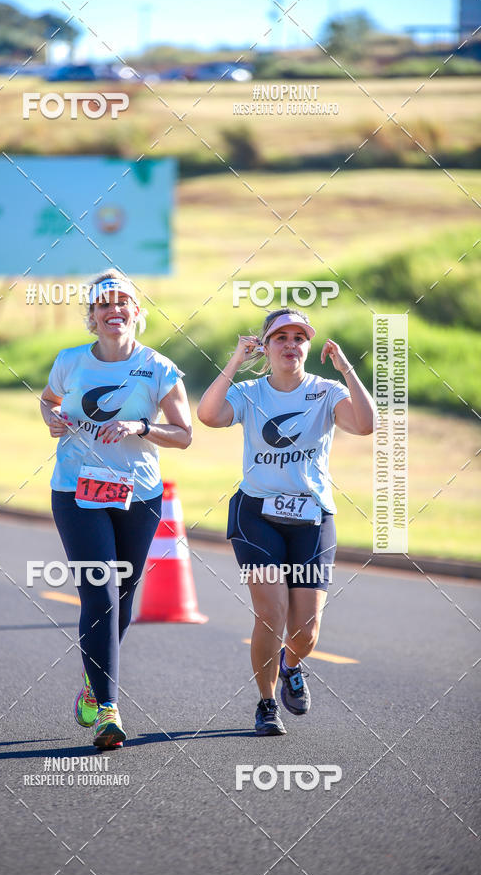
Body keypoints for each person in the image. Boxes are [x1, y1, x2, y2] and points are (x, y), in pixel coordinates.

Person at [197, 308, 376, 736]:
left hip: (312, 516)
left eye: (299, 338)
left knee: (306, 632)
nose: (291, 345)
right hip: (257, 514)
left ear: (308, 347)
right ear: (267, 346)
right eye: (281, 338)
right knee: (270, 615)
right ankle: (265, 704)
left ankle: (291, 663)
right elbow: (208, 414)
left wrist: (347, 368)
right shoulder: (250, 392)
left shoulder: (326, 391)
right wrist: (235, 361)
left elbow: (366, 425)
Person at [41, 269, 192, 749]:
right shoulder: (69, 362)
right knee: (100, 593)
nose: (114, 310)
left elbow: (185, 434)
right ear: (92, 316)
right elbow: (48, 402)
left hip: (138, 495)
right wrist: (51, 419)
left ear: (137, 313)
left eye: (122, 301)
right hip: (76, 491)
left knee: (122, 600)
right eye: (103, 304)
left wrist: (140, 428)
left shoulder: (159, 367)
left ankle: (93, 681)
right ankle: (109, 709)